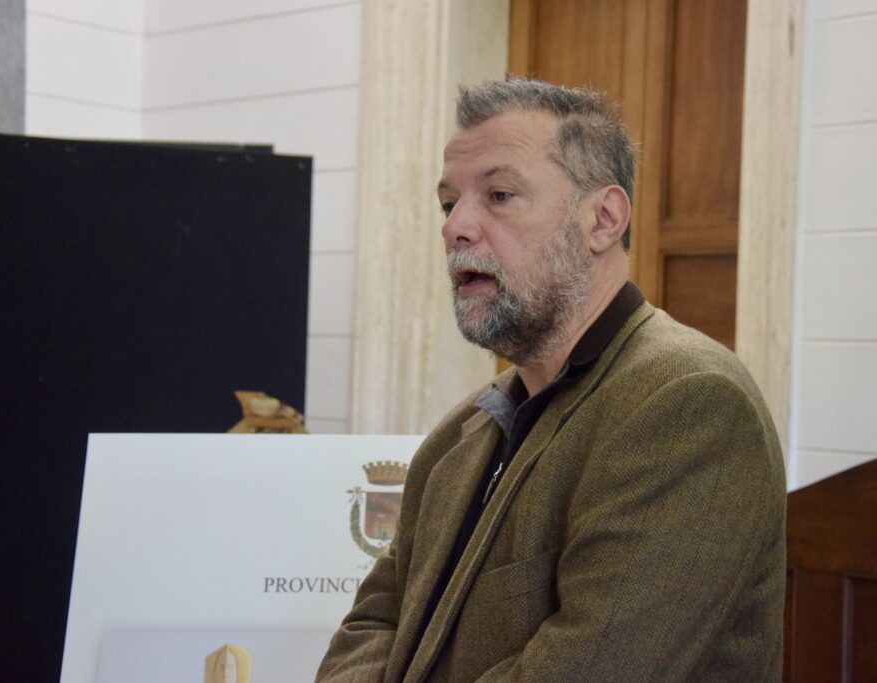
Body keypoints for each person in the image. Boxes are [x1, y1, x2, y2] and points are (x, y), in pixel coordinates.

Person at [316, 78, 786, 682]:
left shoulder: (690, 403)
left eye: (500, 195)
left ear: (603, 219)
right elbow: (374, 624)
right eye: (449, 203)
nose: (456, 227)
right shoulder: (460, 435)